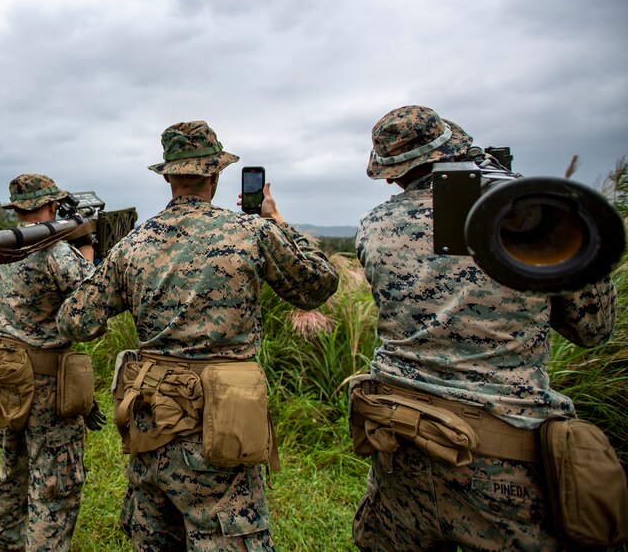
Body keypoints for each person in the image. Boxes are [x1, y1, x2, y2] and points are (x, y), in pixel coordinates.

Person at [58, 121, 339, 551]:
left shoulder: (133, 243)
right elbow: (319, 285)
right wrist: (276, 219)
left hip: (152, 418)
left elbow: (74, 322)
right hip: (220, 422)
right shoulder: (252, 233)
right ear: (216, 175)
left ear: (168, 177)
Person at [350, 105, 618, 551]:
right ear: (456, 150)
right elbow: (594, 329)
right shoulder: (536, 215)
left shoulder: (375, 226)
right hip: (503, 451)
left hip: (399, 432)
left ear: (392, 175)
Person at [0, 174, 99, 551]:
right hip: (47, 382)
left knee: (12, 471)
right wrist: (86, 249)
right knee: (56, 485)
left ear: (17, 208)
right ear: (50, 206)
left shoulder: (3, 248)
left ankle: (7, 543)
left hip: (7, 374)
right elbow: (90, 315)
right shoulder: (57, 254)